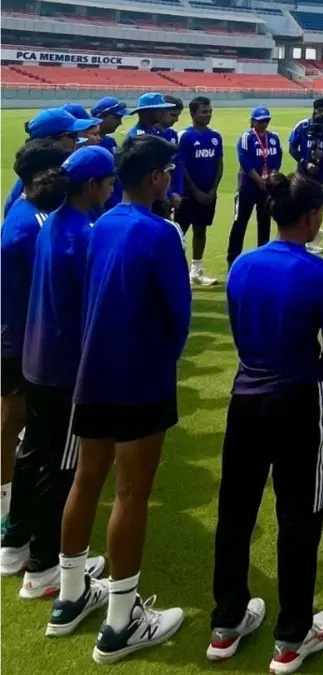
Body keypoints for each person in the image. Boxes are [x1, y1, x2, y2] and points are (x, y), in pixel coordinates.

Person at [52, 135, 189, 661]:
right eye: (167, 171)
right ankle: (121, 620)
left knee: (87, 480)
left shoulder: (100, 224)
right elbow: (177, 314)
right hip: (140, 377)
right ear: (155, 177)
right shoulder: (161, 233)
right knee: (131, 492)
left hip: (94, 371)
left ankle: (69, 598)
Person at [210, 172, 323, 673]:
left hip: (245, 397)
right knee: (298, 516)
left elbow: (238, 329)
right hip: (297, 400)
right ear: (310, 217)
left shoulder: (243, 264)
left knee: (235, 512)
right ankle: (291, 636)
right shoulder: (321, 273)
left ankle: (225, 625)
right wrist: (304, 378)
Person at [9, 147, 114, 599]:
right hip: (64, 372)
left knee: (34, 454)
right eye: (108, 182)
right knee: (62, 470)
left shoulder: (49, 221)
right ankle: (45, 567)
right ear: (91, 186)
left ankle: (19, 546)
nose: (111, 189)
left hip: (36, 362)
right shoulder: (83, 237)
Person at [0, 139, 75, 574]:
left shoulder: (29, 212)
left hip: (26, 340)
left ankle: (16, 529)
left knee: (30, 436)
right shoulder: (33, 224)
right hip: (28, 344)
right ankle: (37, 549)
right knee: (33, 437)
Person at [4, 108, 100, 218]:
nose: (78, 142)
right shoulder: (31, 188)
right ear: (50, 142)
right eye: (73, 136)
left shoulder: (44, 177)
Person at [288, 96, 323, 254]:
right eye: (318, 110)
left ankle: (311, 237)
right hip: (304, 175)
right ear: (313, 110)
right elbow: (292, 148)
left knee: (320, 207)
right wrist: (305, 162)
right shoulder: (303, 125)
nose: (321, 114)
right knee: (301, 207)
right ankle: (303, 240)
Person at [178, 96, 223, 286]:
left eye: (210, 111)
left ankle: (195, 271)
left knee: (201, 229)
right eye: (204, 111)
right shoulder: (185, 136)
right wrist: (195, 190)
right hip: (188, 194)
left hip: (208, 194)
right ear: (193, 113)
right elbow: (181, 166)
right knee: (179, 232)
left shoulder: (215, 136)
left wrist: (213, 189)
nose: (208, 114)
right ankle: (174, 270)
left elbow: (219, 164)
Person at [228, 106, 282, 266]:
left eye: (266, 120)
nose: (264, 124)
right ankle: (232, 258)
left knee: (264, 221)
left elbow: (278, 157)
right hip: (248, 185)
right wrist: (259, 180)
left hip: (267, 185)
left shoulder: (273, 138)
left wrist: (272, 176)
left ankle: (263, 255)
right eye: (260, 121)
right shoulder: (246, 137)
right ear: (252, 121)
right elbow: (244, 160)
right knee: (240, 222)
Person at [127, 93, 184, 213]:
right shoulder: (138, 137)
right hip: (148, 198)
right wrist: (166, 196)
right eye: (160, 109)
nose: (163, 112)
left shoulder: (156, 134)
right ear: (148, 112)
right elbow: (147, 173)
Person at [90, 97, 129, 217]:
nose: (120, 123)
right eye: (116, 118)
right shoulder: (88, 145)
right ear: (101, 117)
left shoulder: (110, 142)